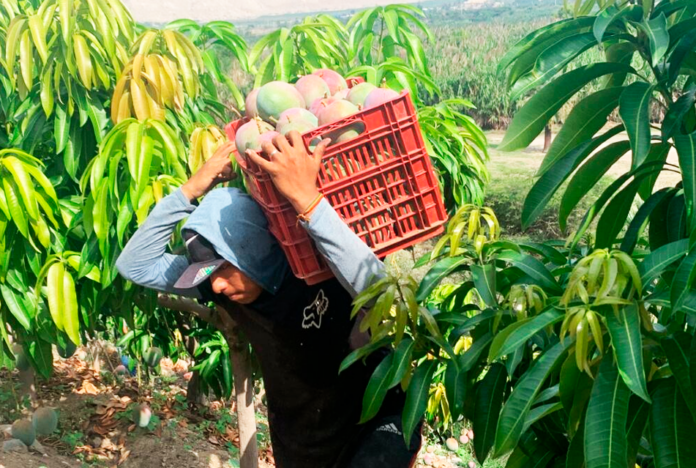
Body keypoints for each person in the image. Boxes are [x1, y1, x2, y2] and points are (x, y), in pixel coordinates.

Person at [116, 131, 422, 468]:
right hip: (303, 438)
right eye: (206, 274)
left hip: (377, 422)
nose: (214, 286)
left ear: (253, 250)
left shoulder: (314, 265)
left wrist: (309, 202)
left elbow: (383, 292)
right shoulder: (219, 287)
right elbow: (136, 264)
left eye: (221, 269)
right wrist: (190, 191)